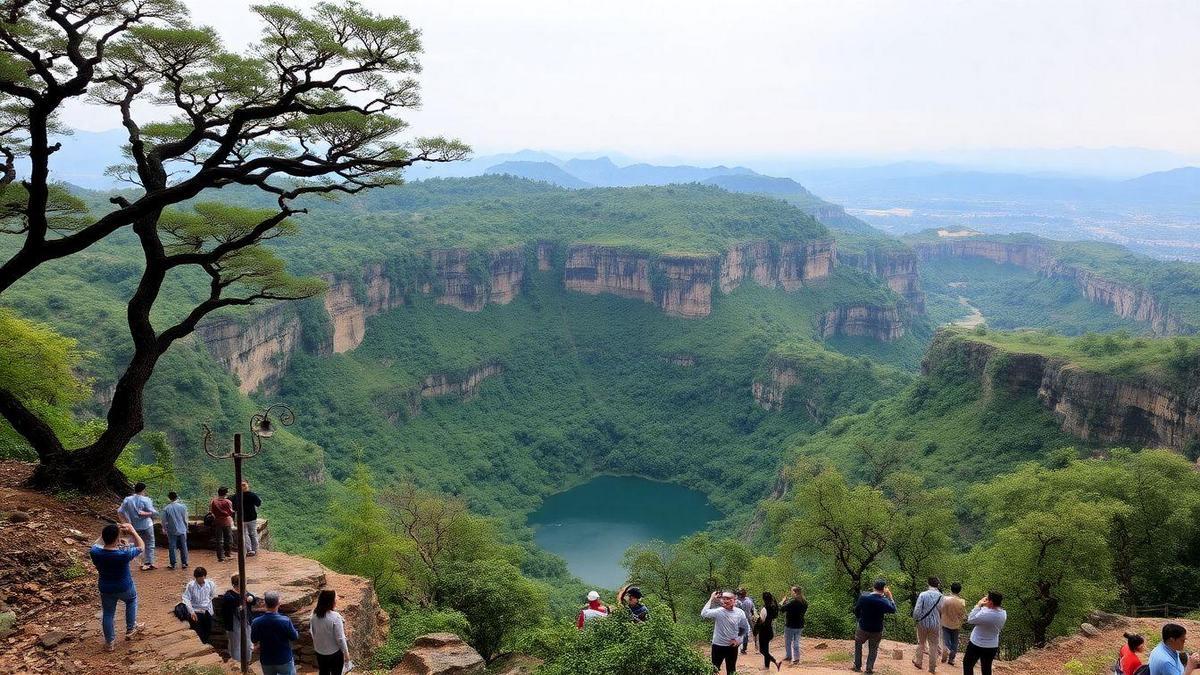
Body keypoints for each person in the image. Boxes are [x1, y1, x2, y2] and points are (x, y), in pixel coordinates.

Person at [89, 523, 146, 651]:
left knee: (108, 613)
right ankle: (131, 629)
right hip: (124, 586)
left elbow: (98, 542)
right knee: (131, 601)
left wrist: (111, 530)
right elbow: (141, 546)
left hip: (106, 587)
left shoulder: (95, 552)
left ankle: (110, 643)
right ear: (116, 539)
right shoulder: (123, 554)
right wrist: (133, 531)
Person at [702, 590, 751, 675]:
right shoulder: (719, 611)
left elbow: (746, 628)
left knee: (731, 670)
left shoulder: (739, 612)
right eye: (723, 598)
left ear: (734, 600)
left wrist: (738, 640)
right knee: (714, 669)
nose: (725, 600)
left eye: (728, 598)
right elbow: (704, 613)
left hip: (732, 647)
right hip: (718, 645)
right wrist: (711, 598)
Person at [852, 579, 896, 674]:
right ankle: (869, 668)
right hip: (876, 629)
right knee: (873, 649)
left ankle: (857, 666)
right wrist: (890, 597)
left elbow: (856, 610)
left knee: (858, 645)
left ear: (873, 587)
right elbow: (893, 610)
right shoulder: (883, 601)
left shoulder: (863, 597)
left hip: (863, 626)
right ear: (883, 589)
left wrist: (860, 619)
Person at [251, 590, 299, 675]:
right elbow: (294, 637)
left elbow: (254, 639)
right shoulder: (285, 621)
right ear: (279, 603)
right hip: (284, 659)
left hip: (266, 660)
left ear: (265, 604)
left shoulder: (256, 622)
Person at [963, 591, 1007, 675]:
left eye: (987, 599)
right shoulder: (1003, 614)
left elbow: (970, 619)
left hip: (976, 643)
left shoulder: (984, 614)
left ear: (990, 602)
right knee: (986, 668)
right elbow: (990, 611)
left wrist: (978, 605)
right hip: (992, 645)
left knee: (968, 664)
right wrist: (985, 606)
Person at [117, 481, 157, 570]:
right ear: (143, 490)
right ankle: (148, 563)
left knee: (137, 543)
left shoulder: (127, 499)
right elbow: (153, 513)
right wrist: (149, 513)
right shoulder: (147, 499)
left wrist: (125, 522)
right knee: (150, 543)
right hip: (147, 525)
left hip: (134, 526)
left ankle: (142, 562)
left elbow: (120, 511)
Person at [311, 589, 351, 675]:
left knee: (323, 672)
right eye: (336, 597)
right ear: (331, 601)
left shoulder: (313, 615)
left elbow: (313, 633)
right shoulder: (335, 617)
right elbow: (340, 638)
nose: (337, 598)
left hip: (320, 651)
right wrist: (346, 654)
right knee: (336, 673)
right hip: (334, 653)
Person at [220, 573, 258, 663]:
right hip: (234, 624)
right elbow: (231, 602)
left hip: (246, 622)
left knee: (248, 642)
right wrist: (243, 599)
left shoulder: (245, 592)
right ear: (236, 584)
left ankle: (247, 661)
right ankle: (237, 663)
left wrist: (250, 598)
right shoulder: (229, 595)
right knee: (235, 644)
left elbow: (253, 601)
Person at [912, 576, 944, 673]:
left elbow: (917, 610)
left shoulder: (923, 594)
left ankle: (918, 662)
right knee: (933, 645)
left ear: (928, 583)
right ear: (937, 584)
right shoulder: (941, 596)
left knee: (921, 643)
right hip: (935, 623)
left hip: (922, 622)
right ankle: (932, 668)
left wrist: (916, 619)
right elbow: (942, 610)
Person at [182, 566, 216, 643]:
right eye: (199, 579)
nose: (201, 580)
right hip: (196, 611)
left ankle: (206, 642)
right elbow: (186, 598)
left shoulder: (210, 584)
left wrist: (208, 605)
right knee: (198, 630)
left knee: (208, 628)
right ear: (196, 578)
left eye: (202, 578)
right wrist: (192, 612)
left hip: (207, 610)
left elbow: (212, 595)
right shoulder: (191, 586)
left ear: (205, 576)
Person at [232, 480, 263, 556]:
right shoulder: (252, 495)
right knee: (253, 534)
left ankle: (249, 550)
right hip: (251, 517)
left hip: (241, 518)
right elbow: (258, 503)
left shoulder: (236, 496)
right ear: (248, 486)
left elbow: (234, 507)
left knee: (244, 534)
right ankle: (254, 550)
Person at [939, 582, 966, 667]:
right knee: (955, 642)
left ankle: (946, 650)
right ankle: (951, 658)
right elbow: (962, 614)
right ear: (959, 591)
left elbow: (940, 610)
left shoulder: (945, 599)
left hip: (945, 622)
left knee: (946, 640)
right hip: (956, 624)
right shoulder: (962, 601)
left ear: (951, 588)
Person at [780, 585, 808, 665]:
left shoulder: (793, 602)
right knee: (796, 642)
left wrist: (783, 601)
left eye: (792, 591)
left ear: (795, 592)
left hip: (790, 625)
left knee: (788, 641)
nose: (791, 593)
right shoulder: (804, 602)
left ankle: (789, 656)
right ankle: (796, 658)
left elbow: (781, 609)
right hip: (800, 625)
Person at [162, 491, 189, 570]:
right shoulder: (183, 507)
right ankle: (184, 563)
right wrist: (186, 527)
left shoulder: (166, 508)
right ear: (177, 497)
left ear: (169, 498)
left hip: (172, 530)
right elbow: (185, 519)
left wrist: (164, 528)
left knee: (172, 547)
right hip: (182, 529)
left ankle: (173, 564)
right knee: (183, 546)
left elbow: (164, 521)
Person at [756, 590, 782, 671]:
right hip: (770, 630)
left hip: (763, 631)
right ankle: (766, 667)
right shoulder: (773, 607)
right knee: (766, 649)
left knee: (762, 650)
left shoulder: (765, 608)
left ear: (764, 599)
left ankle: (775, 661)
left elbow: (761, 621)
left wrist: (755, 629)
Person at [210, 487, 235, 563]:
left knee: (219, 540)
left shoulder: (213, 501)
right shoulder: (228, 502)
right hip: (226, 521)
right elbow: (231, 512)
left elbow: (212, 512)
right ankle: (228, 553)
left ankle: (220, 557)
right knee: (229, 538)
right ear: (225, 493)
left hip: (217, 521)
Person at [736, 588, 756, 654]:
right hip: (748, 618)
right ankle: (744, 649)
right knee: (746, 634)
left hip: (739, 619)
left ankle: (742, 648)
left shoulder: (736, 601)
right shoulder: (749, 600)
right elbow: (753, 610)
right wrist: (754, 616)